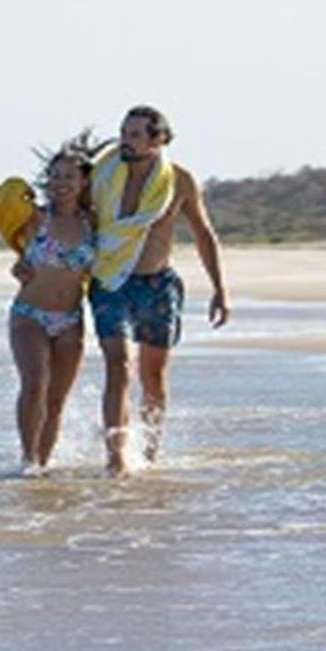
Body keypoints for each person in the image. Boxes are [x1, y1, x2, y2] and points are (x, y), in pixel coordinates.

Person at [86, 105, 229, 474]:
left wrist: (219, 289)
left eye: (135, 135)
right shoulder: (100, 175)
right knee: (118, 366)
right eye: (123, 132)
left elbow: (203, 234)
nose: (125, 141)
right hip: (110, 282)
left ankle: (149, 452)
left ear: (158, 139)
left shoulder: (179, 180)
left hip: (157, 284)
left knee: (154, 376)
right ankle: (116, 457)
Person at [7, 139, 99, 476]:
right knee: (35, 383)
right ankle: (28, 460)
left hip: (71, 319)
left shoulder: (94, 223)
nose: (60, 184)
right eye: (55, 176)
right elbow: (15, 239)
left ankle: (43, 465)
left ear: (84, 182)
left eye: (69, 177)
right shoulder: (35, 218)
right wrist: (19, 263)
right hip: (29, 314)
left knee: (57, 399)